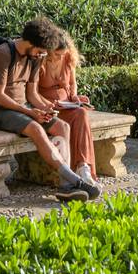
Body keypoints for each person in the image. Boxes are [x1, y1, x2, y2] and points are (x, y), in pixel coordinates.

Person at [0, 17, 101, 201]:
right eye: (40, 51)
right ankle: (74, 180)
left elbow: (31, 94)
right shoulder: (3, 53)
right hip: (1, 112)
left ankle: (65, 186)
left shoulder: (35, 57)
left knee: (62, 127)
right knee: (36, 128)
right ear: (30, 43)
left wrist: (46, 108)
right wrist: (30, 112)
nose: (42, 55)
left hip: (23, 109)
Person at [37, 33, 99, 188]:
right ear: (50, 51)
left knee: (82, 113)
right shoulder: (40, 62)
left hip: (67, 105)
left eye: (63, 54)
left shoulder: (68, 58)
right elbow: (32, 92)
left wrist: (74, 97)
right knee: (76, 121)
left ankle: (83, 166)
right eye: (57, 54)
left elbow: (72, 83)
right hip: (48, 108)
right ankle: (72, 172)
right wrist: (48, 104)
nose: (60, 57)